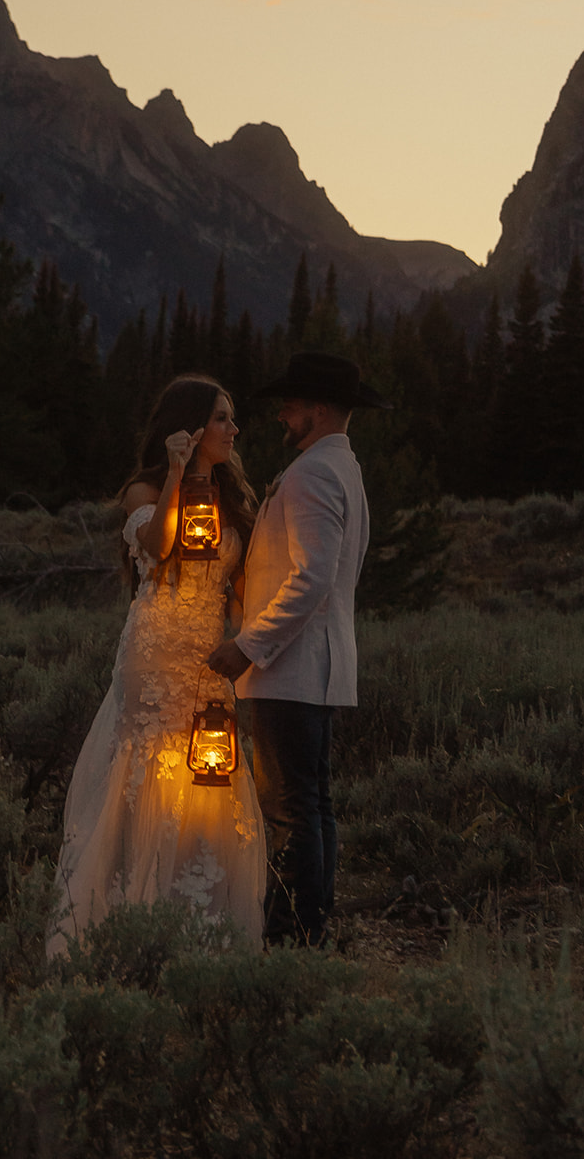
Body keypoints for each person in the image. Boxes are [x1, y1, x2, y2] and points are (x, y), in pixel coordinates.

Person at [49, 374, 266, 956]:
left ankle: (197, 923)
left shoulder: (235, 498)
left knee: (206, 777)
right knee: (146, 774)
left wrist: (248, 640)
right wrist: (176, 475)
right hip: (155, 652)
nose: (233, 429)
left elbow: (241, 586)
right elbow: (158, 545)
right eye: (222, 418)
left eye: (232, 418)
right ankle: (127, 923)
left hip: (211, 656)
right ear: (190, 428)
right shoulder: (144, 492)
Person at [209, 351, 382, 947]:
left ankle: (291, 935)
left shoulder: (312, 474)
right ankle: (312, 925)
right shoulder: (343, 469)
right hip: (319, 666)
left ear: (322, 409)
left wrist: (248, 646)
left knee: (290, 810)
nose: (280, 413)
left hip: (292, 669)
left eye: (291, 403)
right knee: (313, 803)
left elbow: (311, 578)